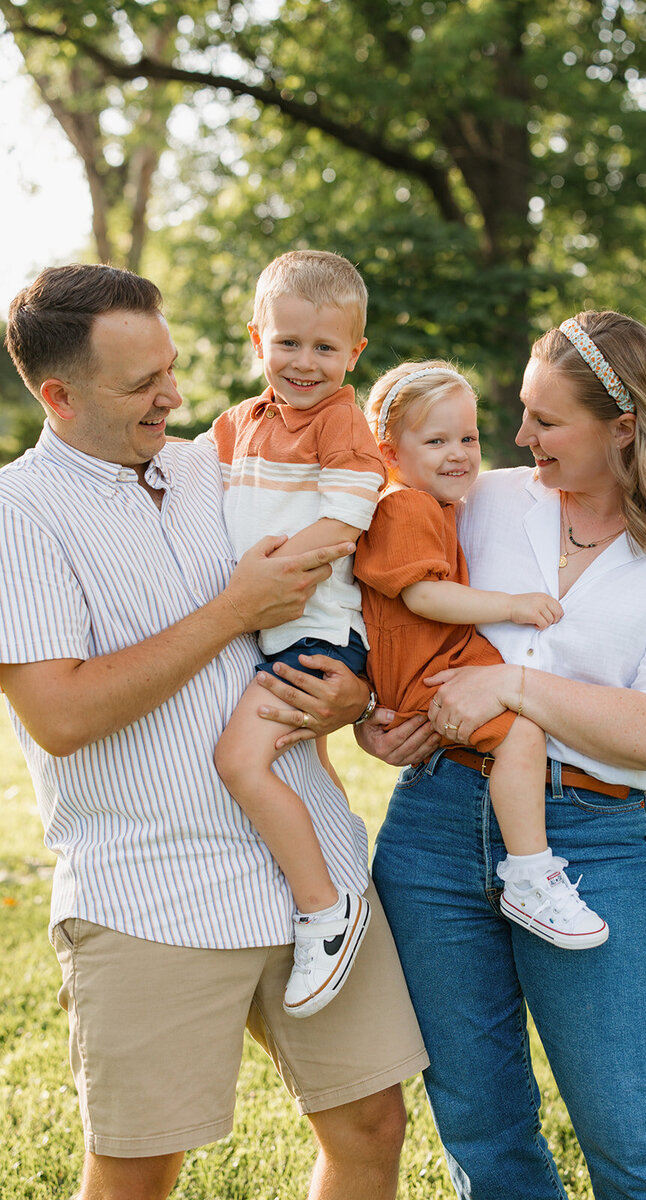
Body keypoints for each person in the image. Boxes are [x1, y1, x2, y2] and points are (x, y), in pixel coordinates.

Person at [0, 263, 427, 1200]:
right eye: (143, 383)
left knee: (370, 1125)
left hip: (314, 874)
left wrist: (349, 692)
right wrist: (233, 610)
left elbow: (332, 593)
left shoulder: (221, 463)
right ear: (58, 394)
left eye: (175, 366)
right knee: (138, 1170)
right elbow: (61, 716)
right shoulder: (18, 512)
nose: (177, 395)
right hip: (151, 891)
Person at [351, 312, 646, 1199]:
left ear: (623, 426)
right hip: (434, 827)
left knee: (633, 1131)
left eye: (546, 420)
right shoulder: (480, 495)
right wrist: (373, 719)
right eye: (522, 415)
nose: (520, 437)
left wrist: (514, 691)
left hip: (590, 842)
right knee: (479, 1124)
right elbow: (389, 601)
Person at [353, 360, 608, 948]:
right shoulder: (407, 507)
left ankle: (525, 865)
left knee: (522, 715)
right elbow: (423, 594)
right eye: (436, 439)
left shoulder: (437, 505)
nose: (459, 453)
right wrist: (512, 605)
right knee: (520, 732)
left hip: (439, 658)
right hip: (426, 668)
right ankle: (529, 872)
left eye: (467, 437)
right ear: (389, 450)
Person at [209, 250, 386, 1018]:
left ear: (355, 354)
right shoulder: (233, 427)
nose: (304, 363)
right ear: (256, 338)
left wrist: (259, 585)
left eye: (325, 347)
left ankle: (323, 910)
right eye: (288, 343)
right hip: (271, 632)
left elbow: (345, 519)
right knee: (306, 771)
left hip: (314, 635)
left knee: (240, 761)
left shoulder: (343, 422)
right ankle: (341, 874)